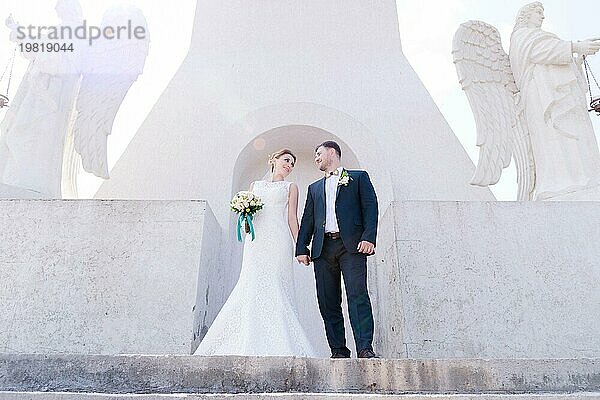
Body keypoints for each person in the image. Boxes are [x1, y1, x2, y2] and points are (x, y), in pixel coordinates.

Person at [195, 149, 316, 357]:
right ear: (274, 159)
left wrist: (301, 247)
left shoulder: (291, 187)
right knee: (251, 283)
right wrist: (246, 218)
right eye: (286, 160)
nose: (289, 165)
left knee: (277, 285)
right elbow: (250, 217)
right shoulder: (255, 186)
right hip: (256, 243)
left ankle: (282, 343)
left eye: (292, 164)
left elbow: (292, 219)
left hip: (278, 241)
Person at [296, 141, 379, 358]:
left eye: (318, 153)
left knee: (357, 295)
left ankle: (364, 348)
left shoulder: (358, 177)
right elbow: (308, 219)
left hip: (351, 246)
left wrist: (369, 237)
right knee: (327, 301)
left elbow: (371, 208)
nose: (316, 158)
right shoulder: (314, 188)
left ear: (332, 153)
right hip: (323, 249)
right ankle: (339, 351)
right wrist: (301, 247)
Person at [509, 2, 600, 200]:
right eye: (538, 13)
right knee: (556, 141)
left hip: (560, 98)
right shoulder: (521, 36)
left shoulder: (538, 37)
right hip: (543, 101)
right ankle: (561, 183)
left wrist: (577, 57)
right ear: (526, 15)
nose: (542, 17)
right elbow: (541, 52)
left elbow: (555, 58)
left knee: (575, 139)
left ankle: (584, 178)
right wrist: (575, 46)